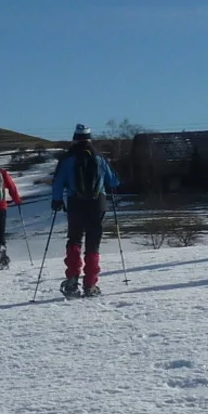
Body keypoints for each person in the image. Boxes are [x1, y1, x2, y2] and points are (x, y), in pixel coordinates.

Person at [50, 124, 121, 297]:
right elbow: (114, 181)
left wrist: (57, 200)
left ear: (74, 138)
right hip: (97, 204)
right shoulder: (100, 158)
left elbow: (58, 181)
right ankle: (90, 284)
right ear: (90, 138)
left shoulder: (67, 159)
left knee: (74, 239)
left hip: (76, 203)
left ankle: (72, 280)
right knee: (93, 243)